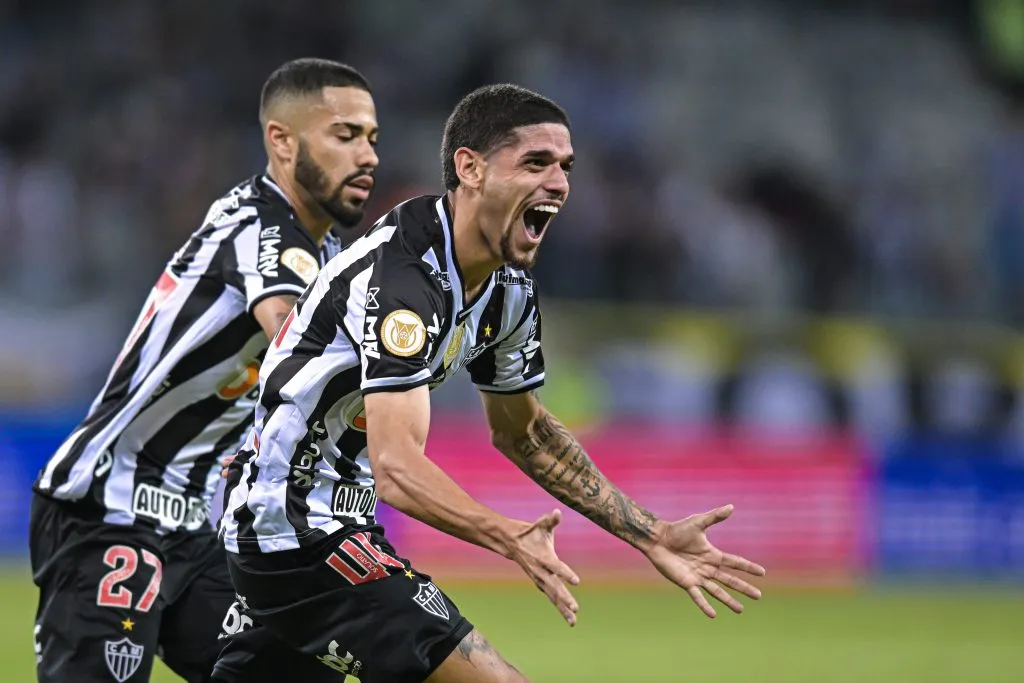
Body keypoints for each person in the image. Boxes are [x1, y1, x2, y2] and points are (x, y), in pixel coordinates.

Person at [213, 83, 765, 683]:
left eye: (566, 166)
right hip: (295, 532)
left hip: (315, 523)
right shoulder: (402, 279)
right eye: (535, 162)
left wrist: (648, 533)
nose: (558, 182)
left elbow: (525, 434)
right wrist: (509, 535)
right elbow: (397, 467)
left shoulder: (508, 289)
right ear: (469, 169)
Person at [29, 58, 380, 683]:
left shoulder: (326, 252)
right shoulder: (259, 224)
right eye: (345, 135)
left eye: (372, 138)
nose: (368, 156)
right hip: (108, 508)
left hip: (193, 527)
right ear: (282, 140)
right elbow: (293, 337)